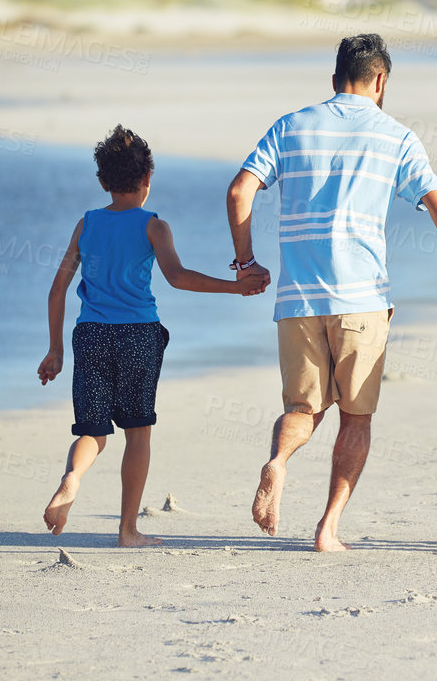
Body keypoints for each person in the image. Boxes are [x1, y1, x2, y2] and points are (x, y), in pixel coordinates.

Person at [227, 33, 437, 552]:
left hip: (298, 300)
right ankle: (327, 528)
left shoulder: (290, 126)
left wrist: (245, 263)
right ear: (381, 81)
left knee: (303, 409)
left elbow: (240, 190)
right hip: (362, 300)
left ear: (334, 80)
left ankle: (278, 462)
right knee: (356, 417)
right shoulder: (395, 135)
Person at [38, 125, 266, 544]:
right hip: (138, 336)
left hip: (90, 335)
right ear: (147, 180)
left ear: (104, 182)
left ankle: (72, 477)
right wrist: (236, 286)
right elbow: (178, 278)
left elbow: (57, 290)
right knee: (137, 433)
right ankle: (128, 530)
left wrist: (55, 350)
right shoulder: (153, 226)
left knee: (93, 431)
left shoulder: (86, 225)